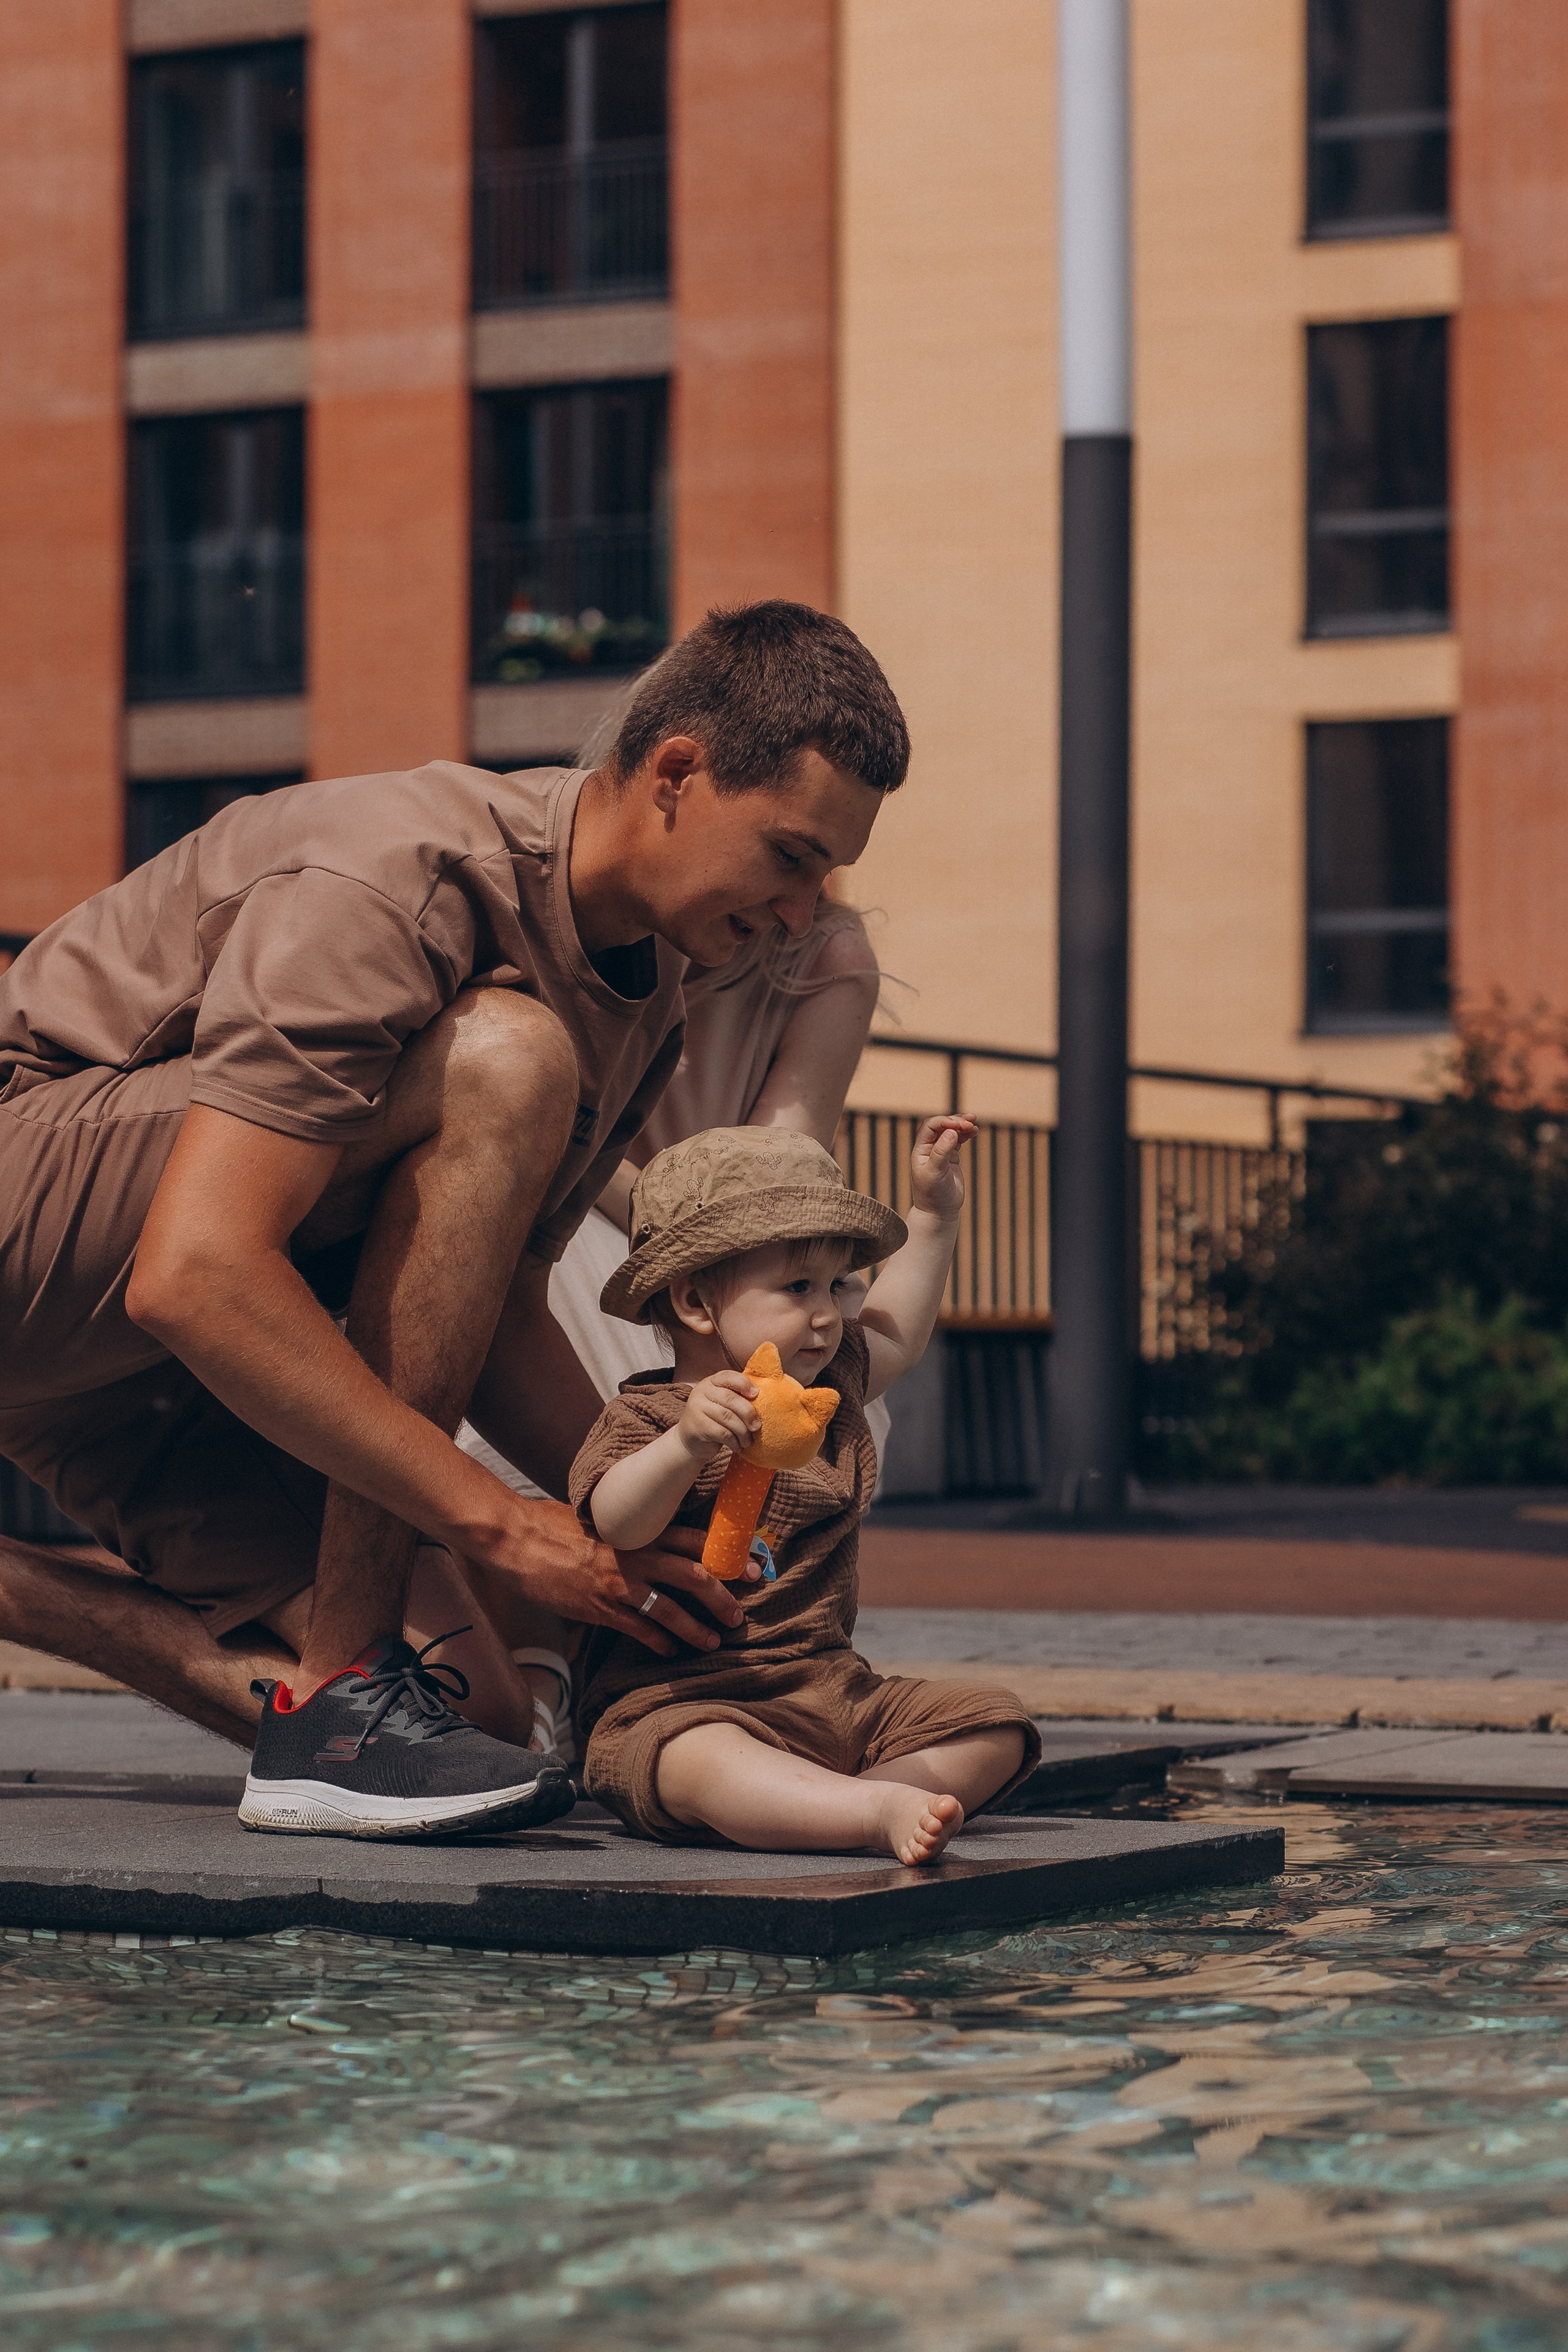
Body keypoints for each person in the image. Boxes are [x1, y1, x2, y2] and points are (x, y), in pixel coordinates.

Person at [0, 601, 911, 1839]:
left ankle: (305, 1698)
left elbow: (483, 1309)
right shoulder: (391, 875)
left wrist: (650, 1516)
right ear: (678, 774)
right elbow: (196, 1272)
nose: (805, 912)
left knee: (471, 1721)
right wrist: (504, 1526)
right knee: (505, 1056)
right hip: (42, 1225)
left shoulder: (647, 994)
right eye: (792, 856)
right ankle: (344, 1674)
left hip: (121, 1377)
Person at [458, 897, 887, 1755]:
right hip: (608, 1228)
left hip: (722, 1252)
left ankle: (661, 1676)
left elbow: (776, 1172)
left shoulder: (825, 953)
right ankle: (557, 1669)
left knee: (765, 1402)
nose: (791, 896)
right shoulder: (552, 923)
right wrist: (672, 1240)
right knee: (514, 1337)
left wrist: (694, 1245)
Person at [568, 1125, 1041, 1865]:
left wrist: (934, 1215)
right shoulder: (650, 1419)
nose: (827, 1313)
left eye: (835, 1285)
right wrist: (687, 1445)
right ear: (695, 1300)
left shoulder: (828, 1388)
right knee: (698, 1760)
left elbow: (899, 1331)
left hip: (832, 1692)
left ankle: (833, 1802)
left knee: (997, 1723)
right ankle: (859, 1809)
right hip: (679, 1701)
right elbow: (617, 1522)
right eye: (797, 1288)